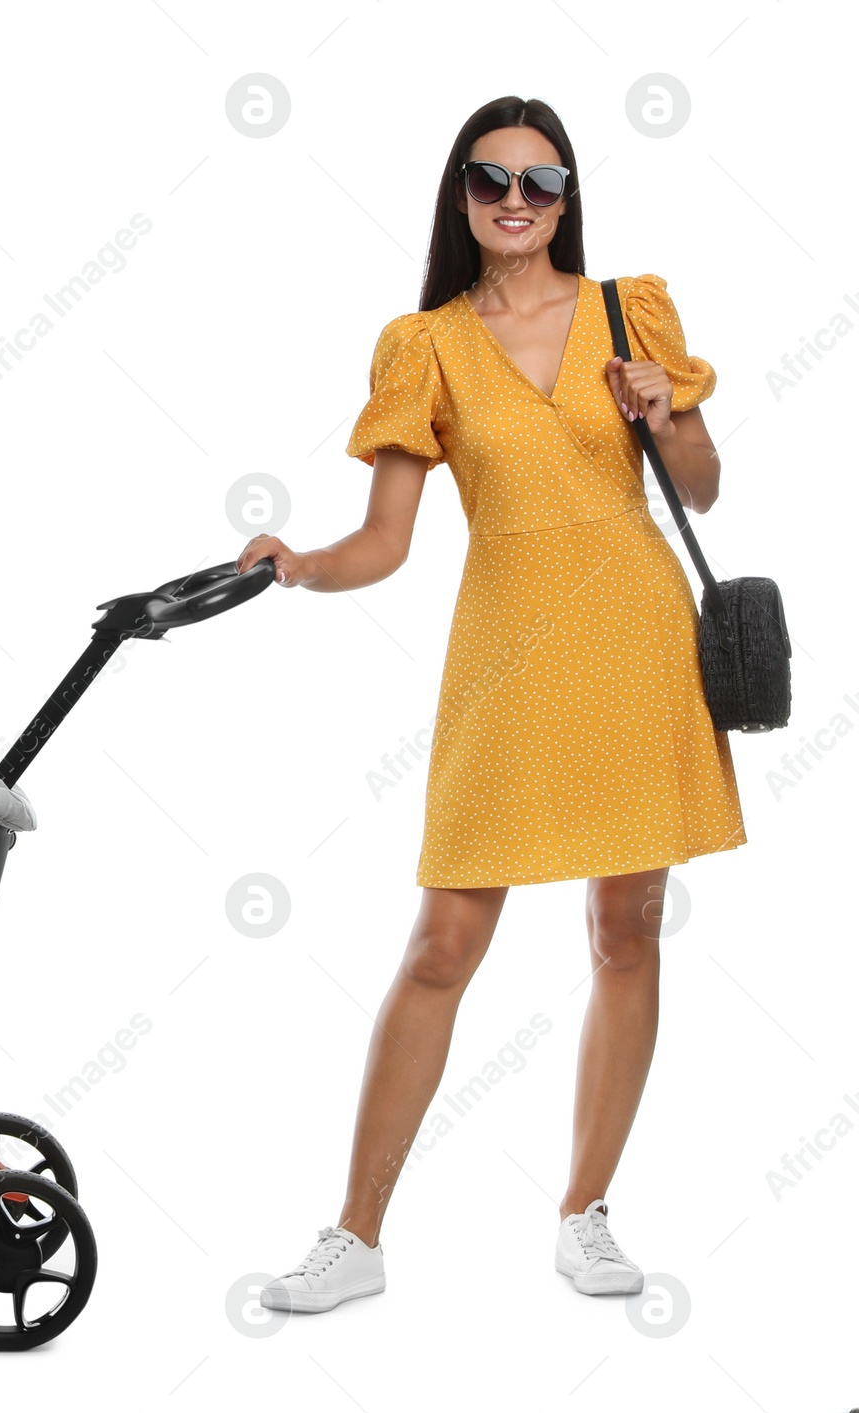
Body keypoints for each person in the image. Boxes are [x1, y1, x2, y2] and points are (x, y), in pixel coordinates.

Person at [235, 94, 744, 1313]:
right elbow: (387, 540)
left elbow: (706, 489)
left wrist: (664, 414)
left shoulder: (634, 311)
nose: (516, 201)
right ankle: (354, 1236)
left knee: (625, 933)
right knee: (441, 945)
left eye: (541, 181)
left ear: (568, 196)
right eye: (490, 179)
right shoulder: (424, 343)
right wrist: (299, 564)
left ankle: (586, 1215)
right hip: (507, 658)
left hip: (634, 638)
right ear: (459, 195)